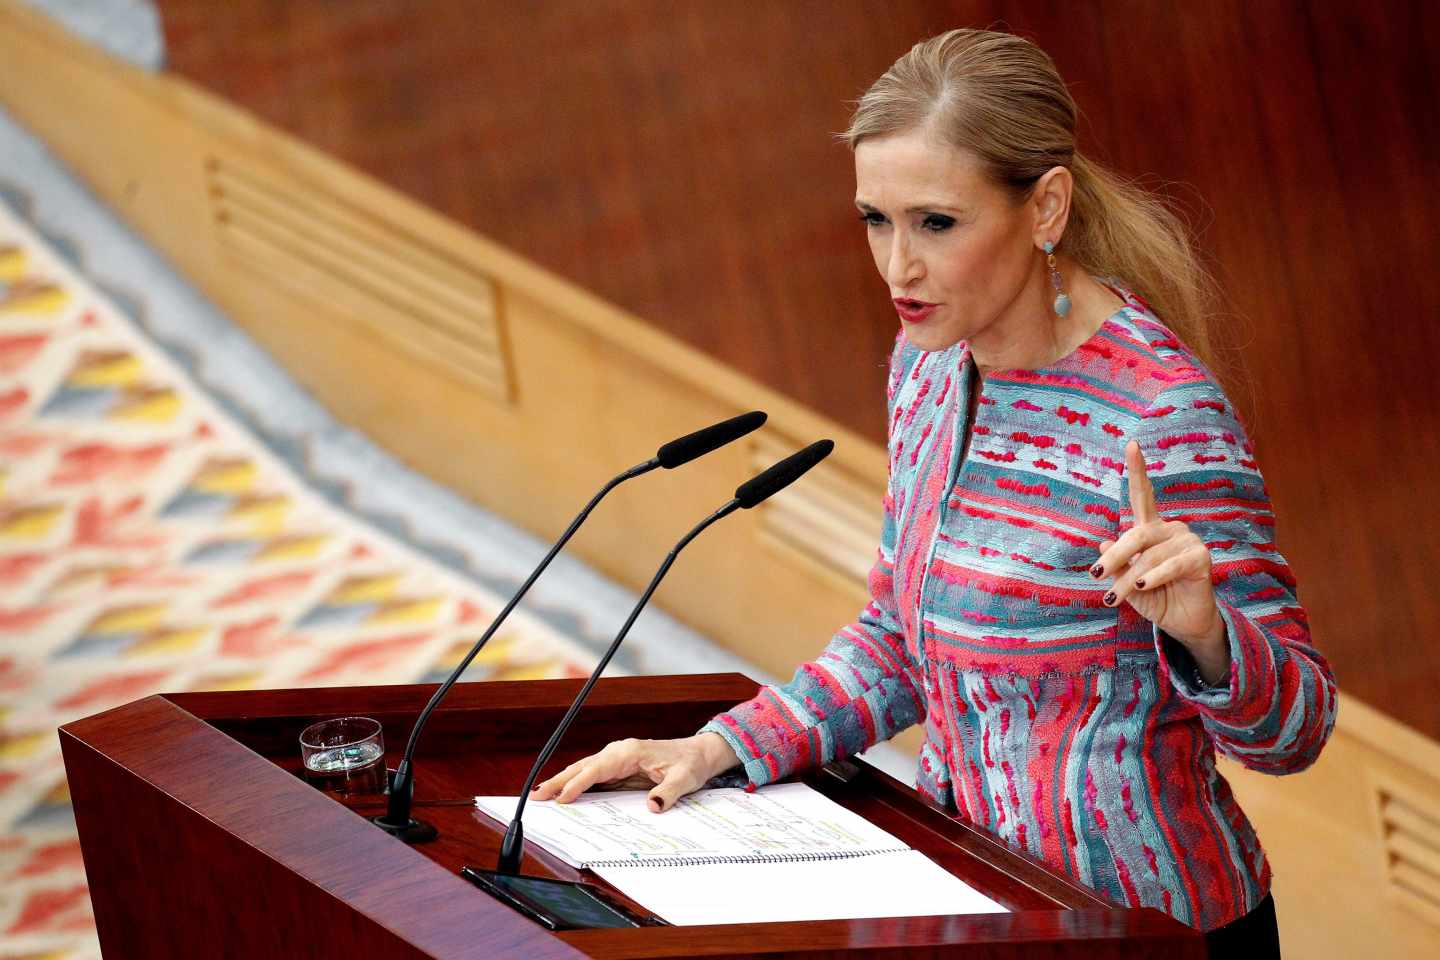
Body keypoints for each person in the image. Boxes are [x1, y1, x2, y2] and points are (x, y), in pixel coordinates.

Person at [531, 27, 1333, 955]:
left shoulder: (1162, 418)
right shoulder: (931, 365)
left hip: (1149, 933)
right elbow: (901, 644)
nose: (897, 267)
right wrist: (715, 749)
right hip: (981, 900)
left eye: (936, 224)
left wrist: (1206, 631)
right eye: (876, 219)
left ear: (1046, 209)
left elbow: (1294, 733)